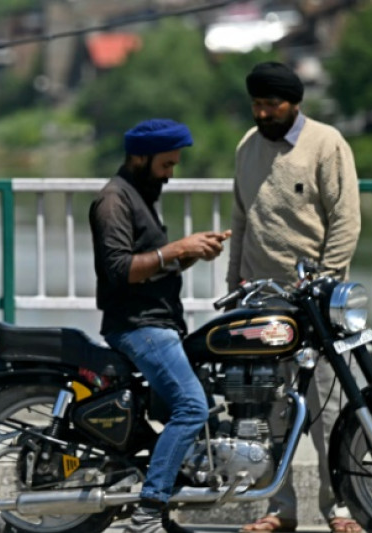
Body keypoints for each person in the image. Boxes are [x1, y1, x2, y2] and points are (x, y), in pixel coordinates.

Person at [227, 62, 362, 533]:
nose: (263, 113)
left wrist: (324, 283)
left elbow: (346, 220)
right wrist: (234, 287)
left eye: (272, 105)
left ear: (294, 103)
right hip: (261, 303)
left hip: (316, 305)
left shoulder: (326, 143)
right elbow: (241, 220)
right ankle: (278, 509)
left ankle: (340, 508)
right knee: (267, 411)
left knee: (329, 411)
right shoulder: (247, 147)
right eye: (257, 104)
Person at [89, 118, 231, 533]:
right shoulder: (113, 200)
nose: (170, 174)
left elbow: (151, 266)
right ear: (140, 158)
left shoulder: (140, 195)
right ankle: (147, 513)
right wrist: (176, 248)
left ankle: (165, 506)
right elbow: (120, 270)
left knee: (203, 409)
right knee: (192, 408)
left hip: (161, 322)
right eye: (166, 165)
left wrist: (191, 253)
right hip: (138, 326)